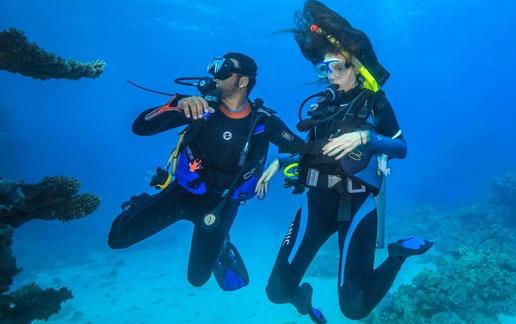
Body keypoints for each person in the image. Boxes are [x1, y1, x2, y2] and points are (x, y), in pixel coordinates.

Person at [258, 2, 433, 322]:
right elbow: (311, 151)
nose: (329, 75)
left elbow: (401, 147)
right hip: (316, 202)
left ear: (355, 66)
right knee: (277, 291)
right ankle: (303, 300)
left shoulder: (375, 103)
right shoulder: (320, 107)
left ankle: (398, 254)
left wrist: (366, 137)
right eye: (324, 68)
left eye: (337, 67)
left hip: (358, 203)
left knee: (354, 308)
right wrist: (280, 162)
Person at [108, 52, 307, 292]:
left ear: (243, 82)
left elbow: (301, 150)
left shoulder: (264, 122)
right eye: (214, 67)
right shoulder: (199, 107)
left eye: (224, 69)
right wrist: (176, 104)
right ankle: (141, 203)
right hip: (182, 193)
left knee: (198, 278)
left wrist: (280, 163)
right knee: (117, 239)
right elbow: (140, 127)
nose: (214, 75)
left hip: (221, 205)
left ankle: (222, 244)